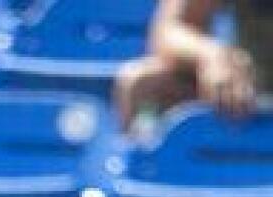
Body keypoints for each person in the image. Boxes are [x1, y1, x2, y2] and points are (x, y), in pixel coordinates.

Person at [115, 0, 271, 130]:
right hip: (253, 91)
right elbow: (169, 30)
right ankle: (148, 163)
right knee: (145, 85)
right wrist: (214, 56)